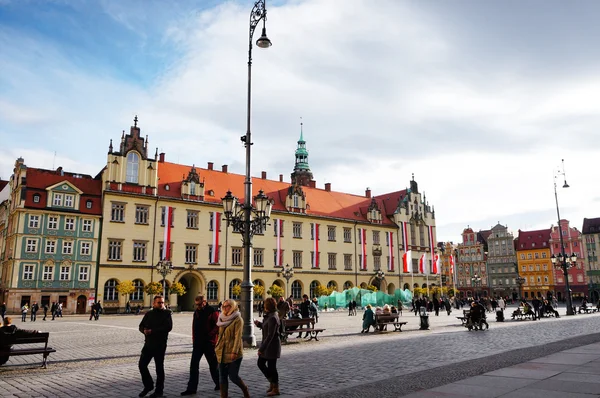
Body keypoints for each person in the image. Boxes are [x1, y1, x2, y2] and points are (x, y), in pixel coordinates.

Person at [181, 295, 220, 396]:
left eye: (199, 304)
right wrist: (194, 340)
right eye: (196, 304)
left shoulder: (212, 311)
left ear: (204, 302)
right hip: (198, 343)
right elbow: (194, 326)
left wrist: (210, 336)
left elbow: (218, 325)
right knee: (193, 365)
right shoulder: (196, 312)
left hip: (209, 343)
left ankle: (219, 383)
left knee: (213, 365)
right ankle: (191, 388)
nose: (197, 306)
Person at [138, 296, 173, 398]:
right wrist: (143, 330)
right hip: (148, 344)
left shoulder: (167, 314)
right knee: (142, 365)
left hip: (160, 345)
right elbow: (141, 326)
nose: (161, 304)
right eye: (159, 303)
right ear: (154, 303)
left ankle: (159, 391)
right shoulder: (149, 314)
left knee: (159, 368)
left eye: (162, 302)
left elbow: (168, 327)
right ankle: (148, 385)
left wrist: (152, 331)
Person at [215, 299, 249, 398]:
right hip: (221, 351)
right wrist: (217, 346)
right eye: (224, 306)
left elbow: (238, 337)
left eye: (227, 306)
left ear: (233, 307)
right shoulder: (221, 318)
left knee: (233, 376)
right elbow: (220, 335)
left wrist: (234, 352)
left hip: (234, 353)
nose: (225, 308)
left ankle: (245, 389)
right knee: (222, 376)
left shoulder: (238, 319)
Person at [254, 297, 282, 396]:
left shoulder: (273, 317)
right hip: (268, 345)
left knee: (271, 367)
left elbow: (270, 335)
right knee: (261, 363)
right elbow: (266, 327)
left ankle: (276, 388)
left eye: (265, 304)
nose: (263, 306)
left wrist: (261, 349)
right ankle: (272, 383)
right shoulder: (269, 316)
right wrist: (259, 324)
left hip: (272, 346)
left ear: (268, 306)